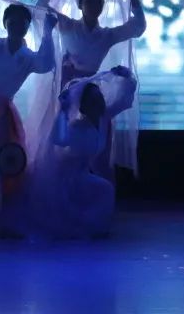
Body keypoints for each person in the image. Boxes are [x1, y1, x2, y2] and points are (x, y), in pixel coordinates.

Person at [34, 0, 147, 178]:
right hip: (68, 89)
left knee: (98, 134)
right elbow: (39, 9)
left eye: (98, 2)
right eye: (89, 1)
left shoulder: (106, 35)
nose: (94, 6)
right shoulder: (68, 25)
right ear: (80, 5)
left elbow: (138, 27)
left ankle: (92, 177)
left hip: (90, 89)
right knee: (63, 136)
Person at [0, 0, 57, 233]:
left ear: (27, 27)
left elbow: (46, 63)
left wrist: (48, 31)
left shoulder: (27, 57)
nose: (17, 26)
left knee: (5, 161)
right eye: (12, 22)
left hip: (3, 113)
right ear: (5, 23)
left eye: (22, 23)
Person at [29, 67, 139, 239]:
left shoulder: (103, 119)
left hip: (81, 175)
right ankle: (80, 226)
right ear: (84, 105)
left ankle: (94, 227)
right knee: (101, 191)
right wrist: (63, 111)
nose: (98, 102)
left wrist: (125, 77)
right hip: (64, 179)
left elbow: (123, 100)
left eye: (99, 98)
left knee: (105, 189)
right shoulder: (77, 127)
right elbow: (58, 139)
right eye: (93, 100)